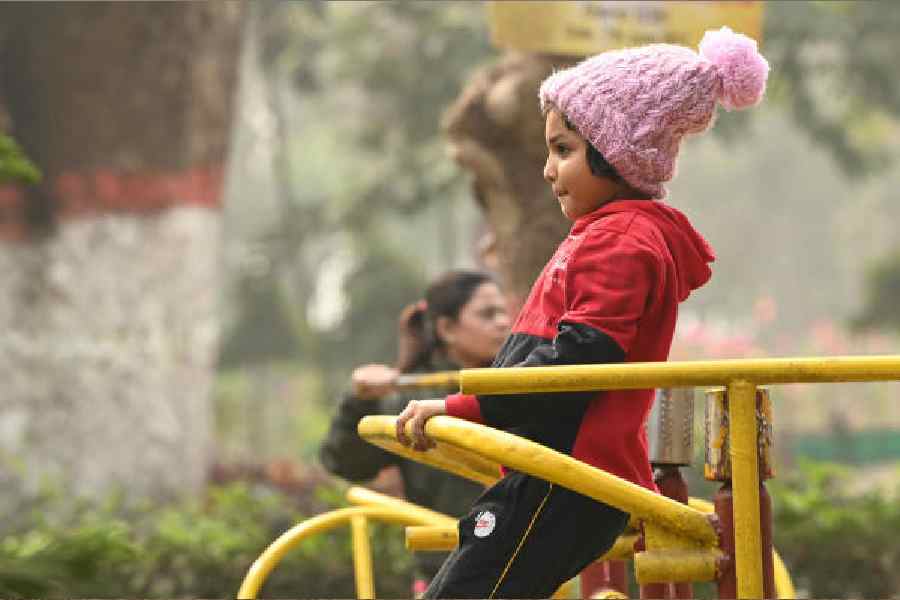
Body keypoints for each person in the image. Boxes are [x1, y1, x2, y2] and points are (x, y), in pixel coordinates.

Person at [395, 27, 769, 598]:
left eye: (564, 150)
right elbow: (602, 384)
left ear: (620, 152)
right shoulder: (609, 233)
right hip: (554, 475)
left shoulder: (621, 240)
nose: (549, 170)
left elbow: (574, 369)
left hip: (559, 481)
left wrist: (462, 407)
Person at [319, 269, 511, 597]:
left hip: (523, 564)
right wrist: (359, 403)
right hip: (446, 566)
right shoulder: (410, 401)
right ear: (447, 328)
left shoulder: (518, 386)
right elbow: (346, 463)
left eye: (504, 312)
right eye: (487, 314)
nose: (503, 323)